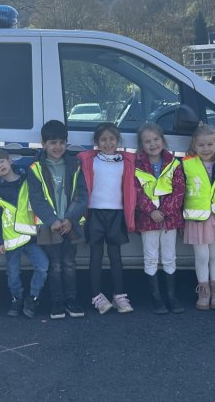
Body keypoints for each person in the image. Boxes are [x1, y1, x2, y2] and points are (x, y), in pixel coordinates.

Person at [27, 120, 89, 320]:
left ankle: (71, 300)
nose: (57, 147)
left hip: (71, 225)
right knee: (55, 265)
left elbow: (82, 195)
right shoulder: (36, 168)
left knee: (70, 263)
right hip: (50, 227)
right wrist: (52, 220)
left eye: (62, 142)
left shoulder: (75, 165)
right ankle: (56, 302)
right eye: (52, 142)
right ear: (43, 144)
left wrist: (70, 218)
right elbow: (36, 199)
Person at [76, 122, 136, 315]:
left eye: (112, 139)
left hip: (116, 214)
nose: (108, 143)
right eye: (103, 139)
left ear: (118, 140)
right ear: (96, 142)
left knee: (115, 257)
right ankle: (97, 297)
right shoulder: (89, 160)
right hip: (94, 214)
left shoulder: (126, 162)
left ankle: (119, 295)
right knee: (95, 257)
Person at [0, 148, 49, 319]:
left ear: (10, 161)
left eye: (2, 161)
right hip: (11, 240)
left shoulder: (27, 179)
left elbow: (39, 165)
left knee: (43, 266)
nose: (0, 166)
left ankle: (33, 297)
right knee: (12, 273)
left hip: (30, 236)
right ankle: (17, 299)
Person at [182, 124, 215, 311]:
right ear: (194, 146)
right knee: (202, 256)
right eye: (201, 145)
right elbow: (181, 192)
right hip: (196, 218)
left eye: (209, 144)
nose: (206, 149)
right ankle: (203, 291)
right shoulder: (187, 164)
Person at [134, 123, 185, 315]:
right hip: (148, 220)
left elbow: (179, 191)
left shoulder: (174, 164)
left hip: (169, 220)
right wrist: (151, 211)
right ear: (141, 145)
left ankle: (171, 297)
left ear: (163, 141)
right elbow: (136, 192)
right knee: (151, 257)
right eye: (147, 141)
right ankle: (156, 298)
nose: (152, 144)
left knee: (170, 257)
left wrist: (164, 211)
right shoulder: (137, 166)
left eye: (156, 139)